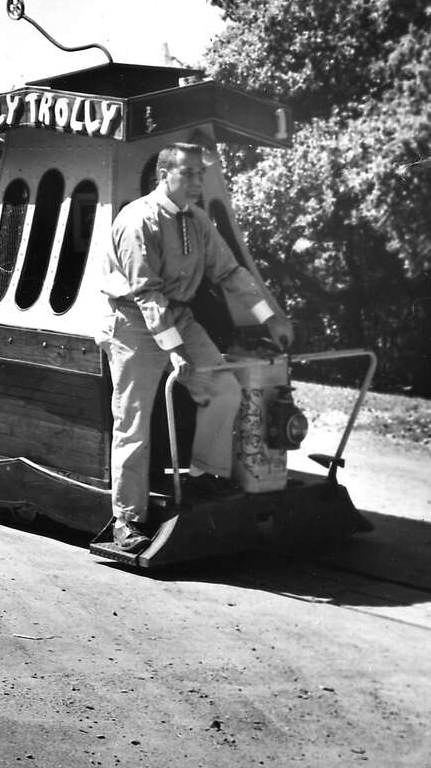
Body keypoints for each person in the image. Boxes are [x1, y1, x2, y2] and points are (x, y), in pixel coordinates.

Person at [98, 142, 294, 554]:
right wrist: (174, 350)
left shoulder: (197, 220)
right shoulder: (137, 220)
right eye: (187, 173)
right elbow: (147, 294)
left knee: (224, 389)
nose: (197, 182)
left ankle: (203, 477)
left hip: (178, 316)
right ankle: (126, 520)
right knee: (133, 421)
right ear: (163, 175)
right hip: (133, 323)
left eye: (200, 174)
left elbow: (231, 273)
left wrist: (270, 317)